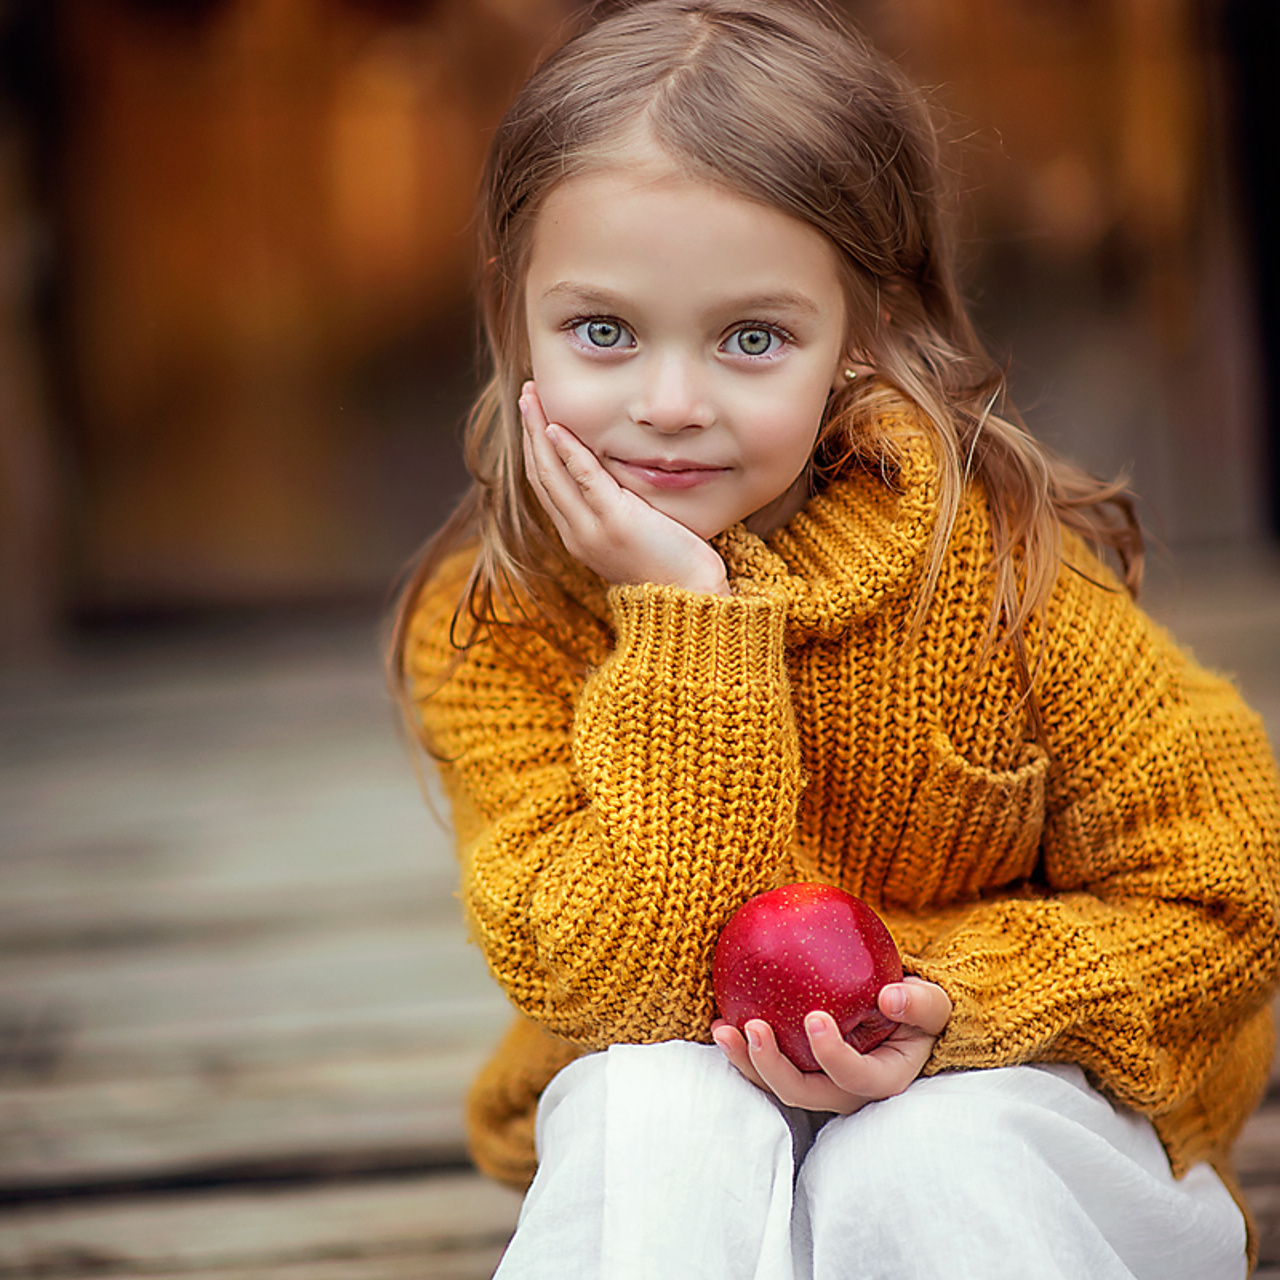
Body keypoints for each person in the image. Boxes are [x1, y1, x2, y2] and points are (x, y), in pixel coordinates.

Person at [389, 1, 1280, 1275]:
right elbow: (618, 987)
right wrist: (687, 626)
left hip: (998, 1114)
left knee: (918, 1152)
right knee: (657, 1096)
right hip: (686, 1130)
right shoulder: (498, 627)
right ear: (512, 314)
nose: (669, 404)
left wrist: (945, 1000)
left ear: (858, 330)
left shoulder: (993, 573)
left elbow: (1219, 891)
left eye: (751, 338)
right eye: (603, 331)